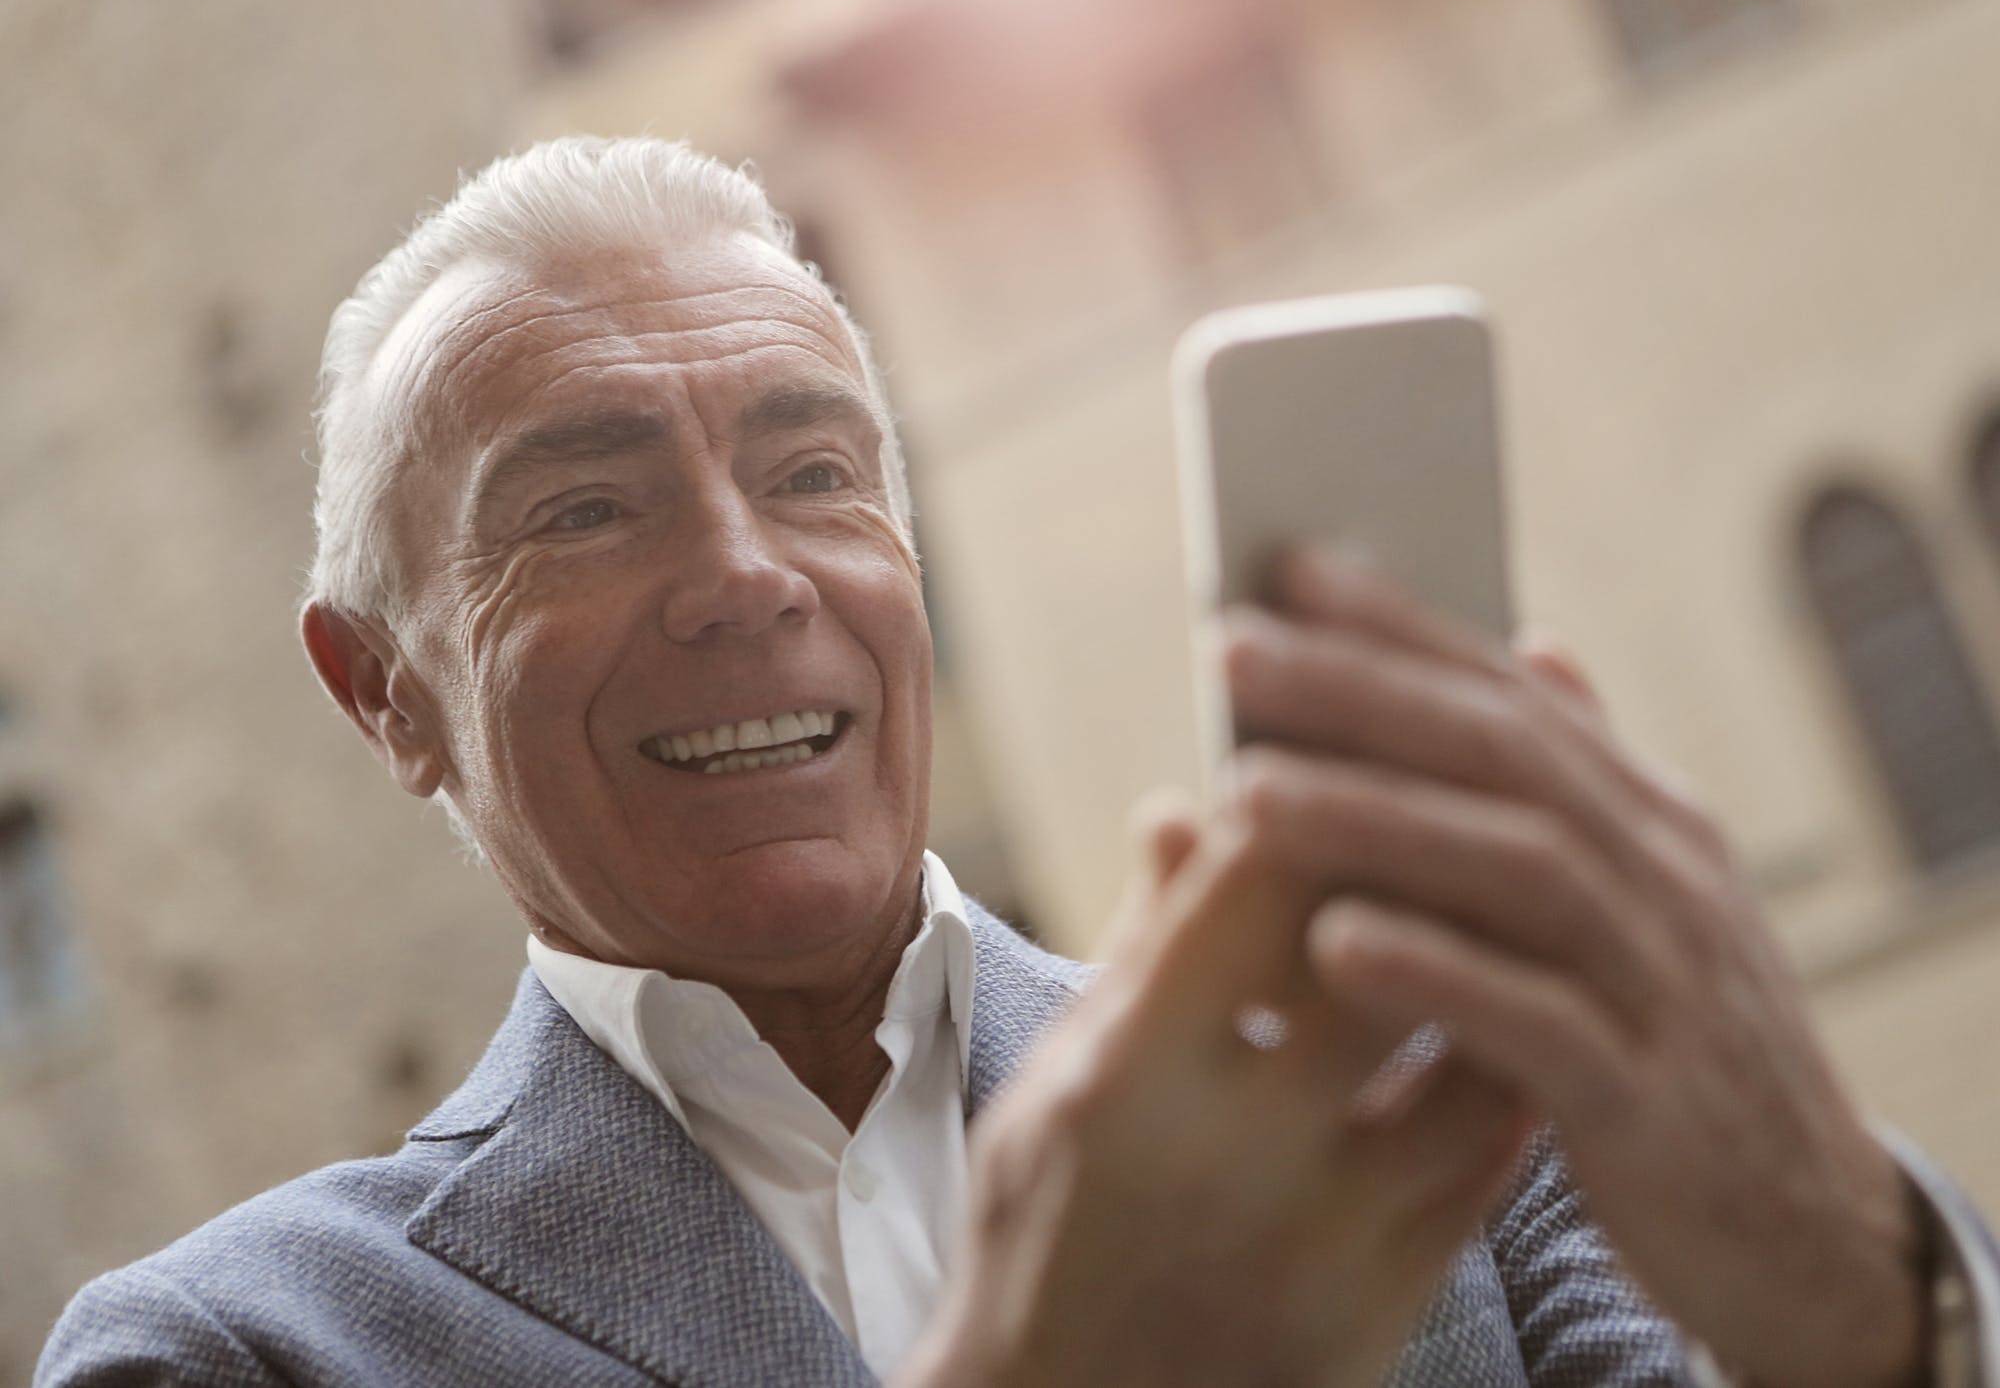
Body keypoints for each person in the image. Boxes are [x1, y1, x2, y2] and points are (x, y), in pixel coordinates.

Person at [36, 136, 2000, 1387]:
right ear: (381, 690)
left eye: (815, 475)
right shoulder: (233, 1351)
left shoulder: (1426, 1101)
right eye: (584, 512)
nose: (745, 574)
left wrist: (1866, 1294)